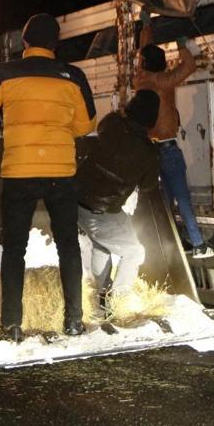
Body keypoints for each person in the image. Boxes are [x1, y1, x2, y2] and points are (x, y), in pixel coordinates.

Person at [0, 13, 97, 341]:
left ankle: (11, 324)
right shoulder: (73, 76)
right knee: (68, 245)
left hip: (19, 173)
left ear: (24, 42)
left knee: (15, 248)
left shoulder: (5, 73)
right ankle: (74, 321)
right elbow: (86, 125)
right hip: (61, 173)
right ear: (55, 44)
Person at [134, 12, 214, 259]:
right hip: (168, 150)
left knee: (167, 202)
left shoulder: (140, 79)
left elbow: (144, 53)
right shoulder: (164, 81)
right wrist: (182, 44)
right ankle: (200, 245)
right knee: (182, 198)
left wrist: (146, 26)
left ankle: (172, 244)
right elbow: (189, 66)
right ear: (161, 64)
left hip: (151, 151)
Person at [77, 89, 162, 316]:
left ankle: (102, 297)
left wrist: (123, 111)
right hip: (103, 210)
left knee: (102, 245)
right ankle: (119, 300)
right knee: (134, 252)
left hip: (80, 201)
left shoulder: (113, 124)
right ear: (152, 120)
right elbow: (147, 185)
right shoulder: (148, 151)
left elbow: (104, 124)